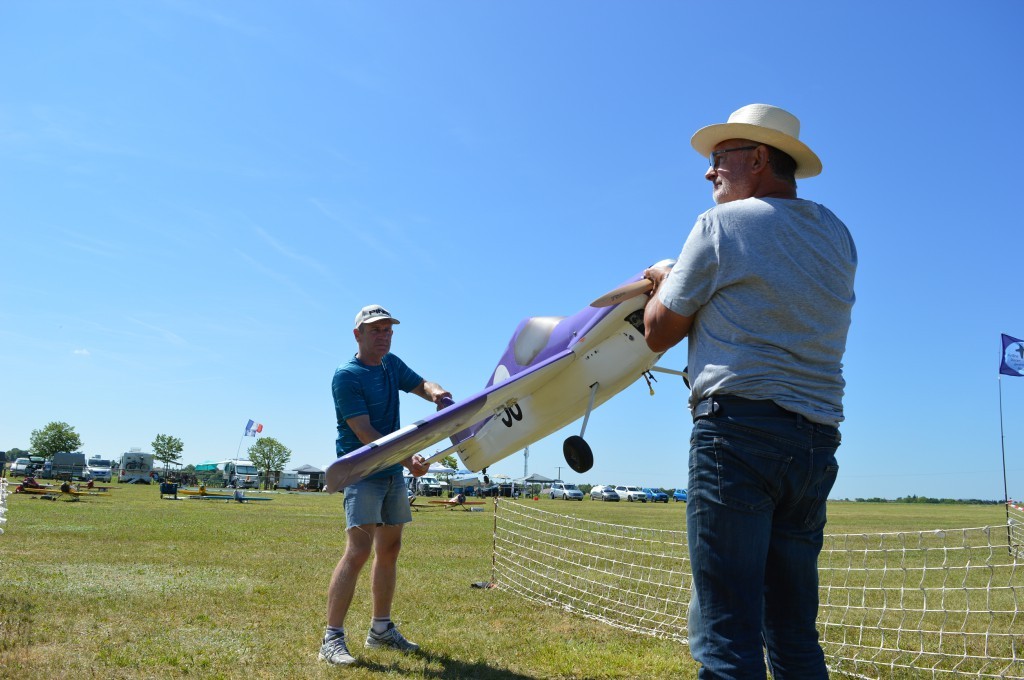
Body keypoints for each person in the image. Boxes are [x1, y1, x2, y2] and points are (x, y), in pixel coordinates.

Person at [643, 104, 857, 679]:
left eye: (719, 160)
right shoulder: (838, 235)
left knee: (727, 634)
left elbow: (659, 331)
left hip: (736, 434)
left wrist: (664, 280)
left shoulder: (719, 225)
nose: (709, 173)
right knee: (792, 633)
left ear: (758, 160)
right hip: (816, 443)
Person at [319, 304, 451, 666]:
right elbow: (365, 434)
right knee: (358, 551)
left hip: (390, 472)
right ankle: (331, 639)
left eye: (388, 329)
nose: (384, 335)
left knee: (389, 550)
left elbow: (421, 384)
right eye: (376, 330)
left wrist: (439, 394)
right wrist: (409, 459)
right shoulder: (347, 376)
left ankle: (380, 630)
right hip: (362, 472)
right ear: (357, 334)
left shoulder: (391, 366)